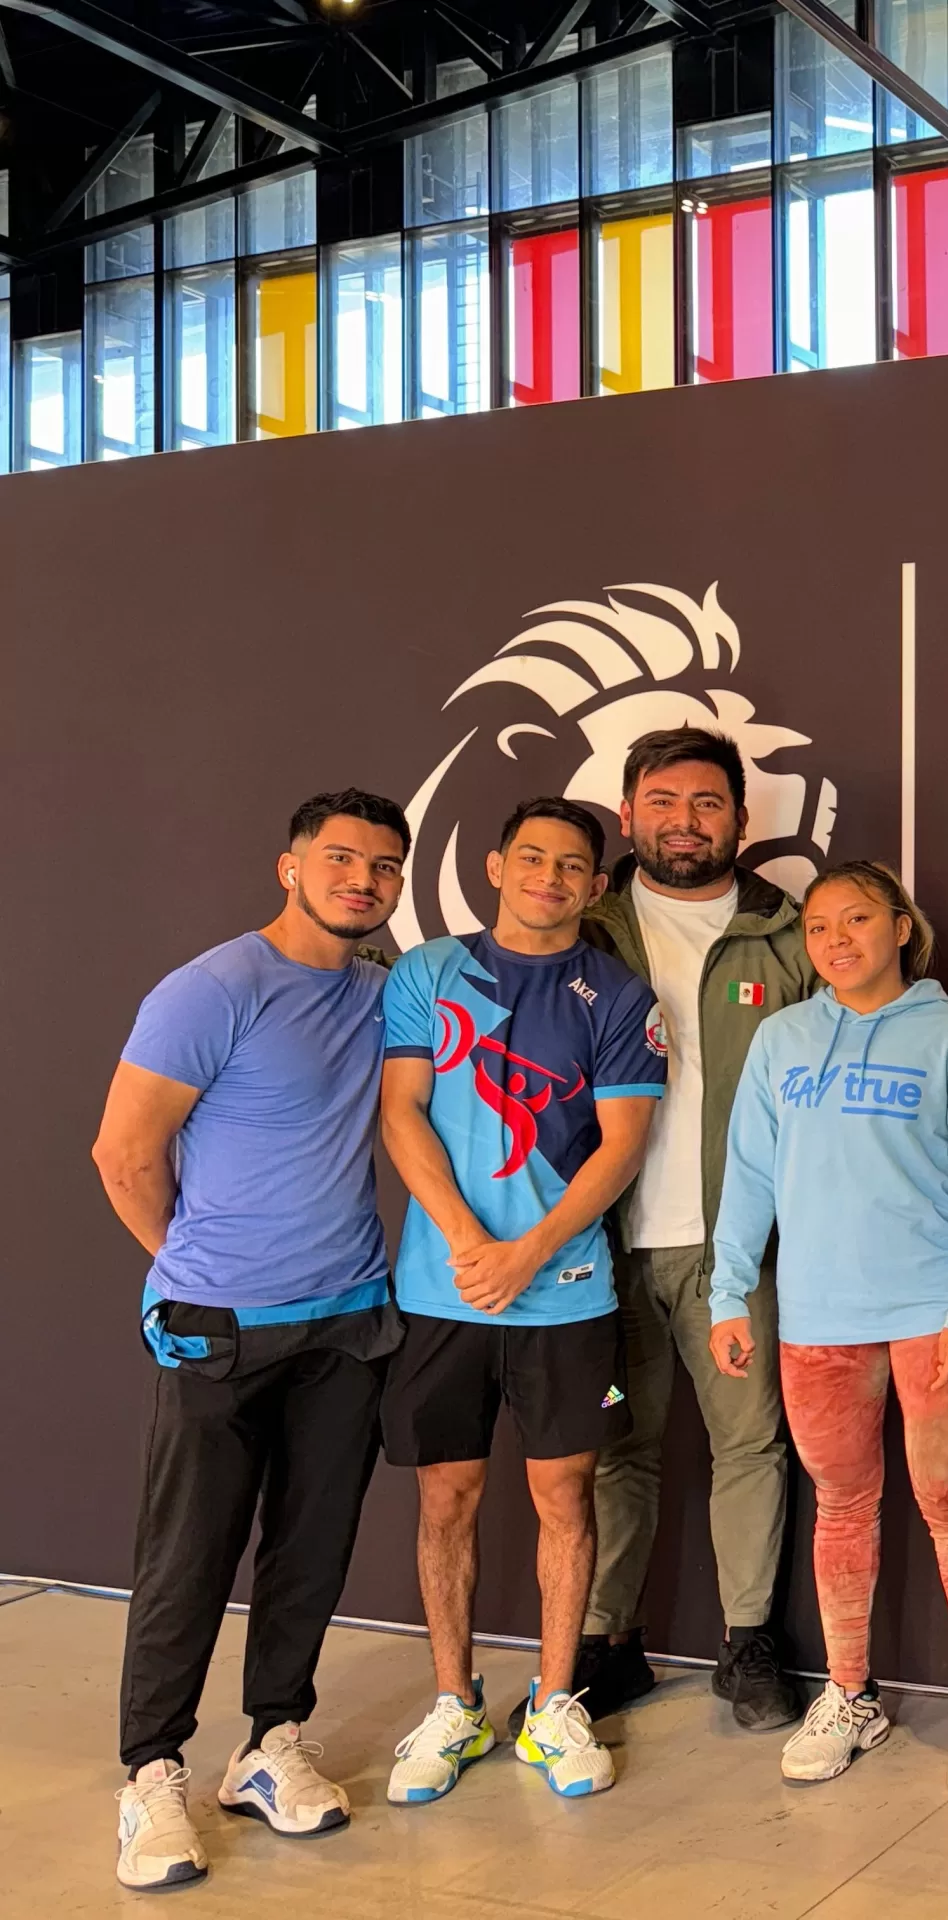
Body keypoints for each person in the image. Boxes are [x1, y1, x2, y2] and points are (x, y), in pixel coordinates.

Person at [575, 727, 948, 1732]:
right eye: (662, 800)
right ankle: (611, 1645)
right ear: (628, 811)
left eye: (707, 802)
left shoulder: (781, 936)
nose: (685, 820)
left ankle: (764, 1649)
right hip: (610, 1251)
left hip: (803, 1279)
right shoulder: (584, 928)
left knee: (766, 1452)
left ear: (740, 818)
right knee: (615, 1439)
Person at [90, 790, 414, 1891]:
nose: (363, 880)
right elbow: (124, 1154)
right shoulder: (213, 988)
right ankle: (152, 1773)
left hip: (349, 1321)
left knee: (310, 1549)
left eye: (384, 865)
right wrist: (194, 1265)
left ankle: (271, 1742)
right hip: (219, 1328)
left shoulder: (381, 994)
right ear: (290, 866)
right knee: (187, 1556)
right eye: (341, 858)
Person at [377, 798, 664, 1804]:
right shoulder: (427, 971)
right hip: (444, 1291)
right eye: (532, 857)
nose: (550, 876)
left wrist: (529, 1252)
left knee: (565, 1498)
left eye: (572, 864)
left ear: (596, 885)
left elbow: (622, 1146)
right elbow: (401, 1112)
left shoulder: (618, 996)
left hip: (566, 1295)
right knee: (445, 1498)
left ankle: (552, 1704)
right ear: (496, 866)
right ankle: (454, 1704)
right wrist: (470, 1244)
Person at [707, 861, 948, 1797]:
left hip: (929, 1313)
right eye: (818, 926)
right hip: (817, 1317)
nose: (835, 940)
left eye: (857, 919)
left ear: (900, 928)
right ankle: (851, 1696)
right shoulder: (782, 1038)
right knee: (841, 1506)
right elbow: (749, 1173)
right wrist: (728, 1293)